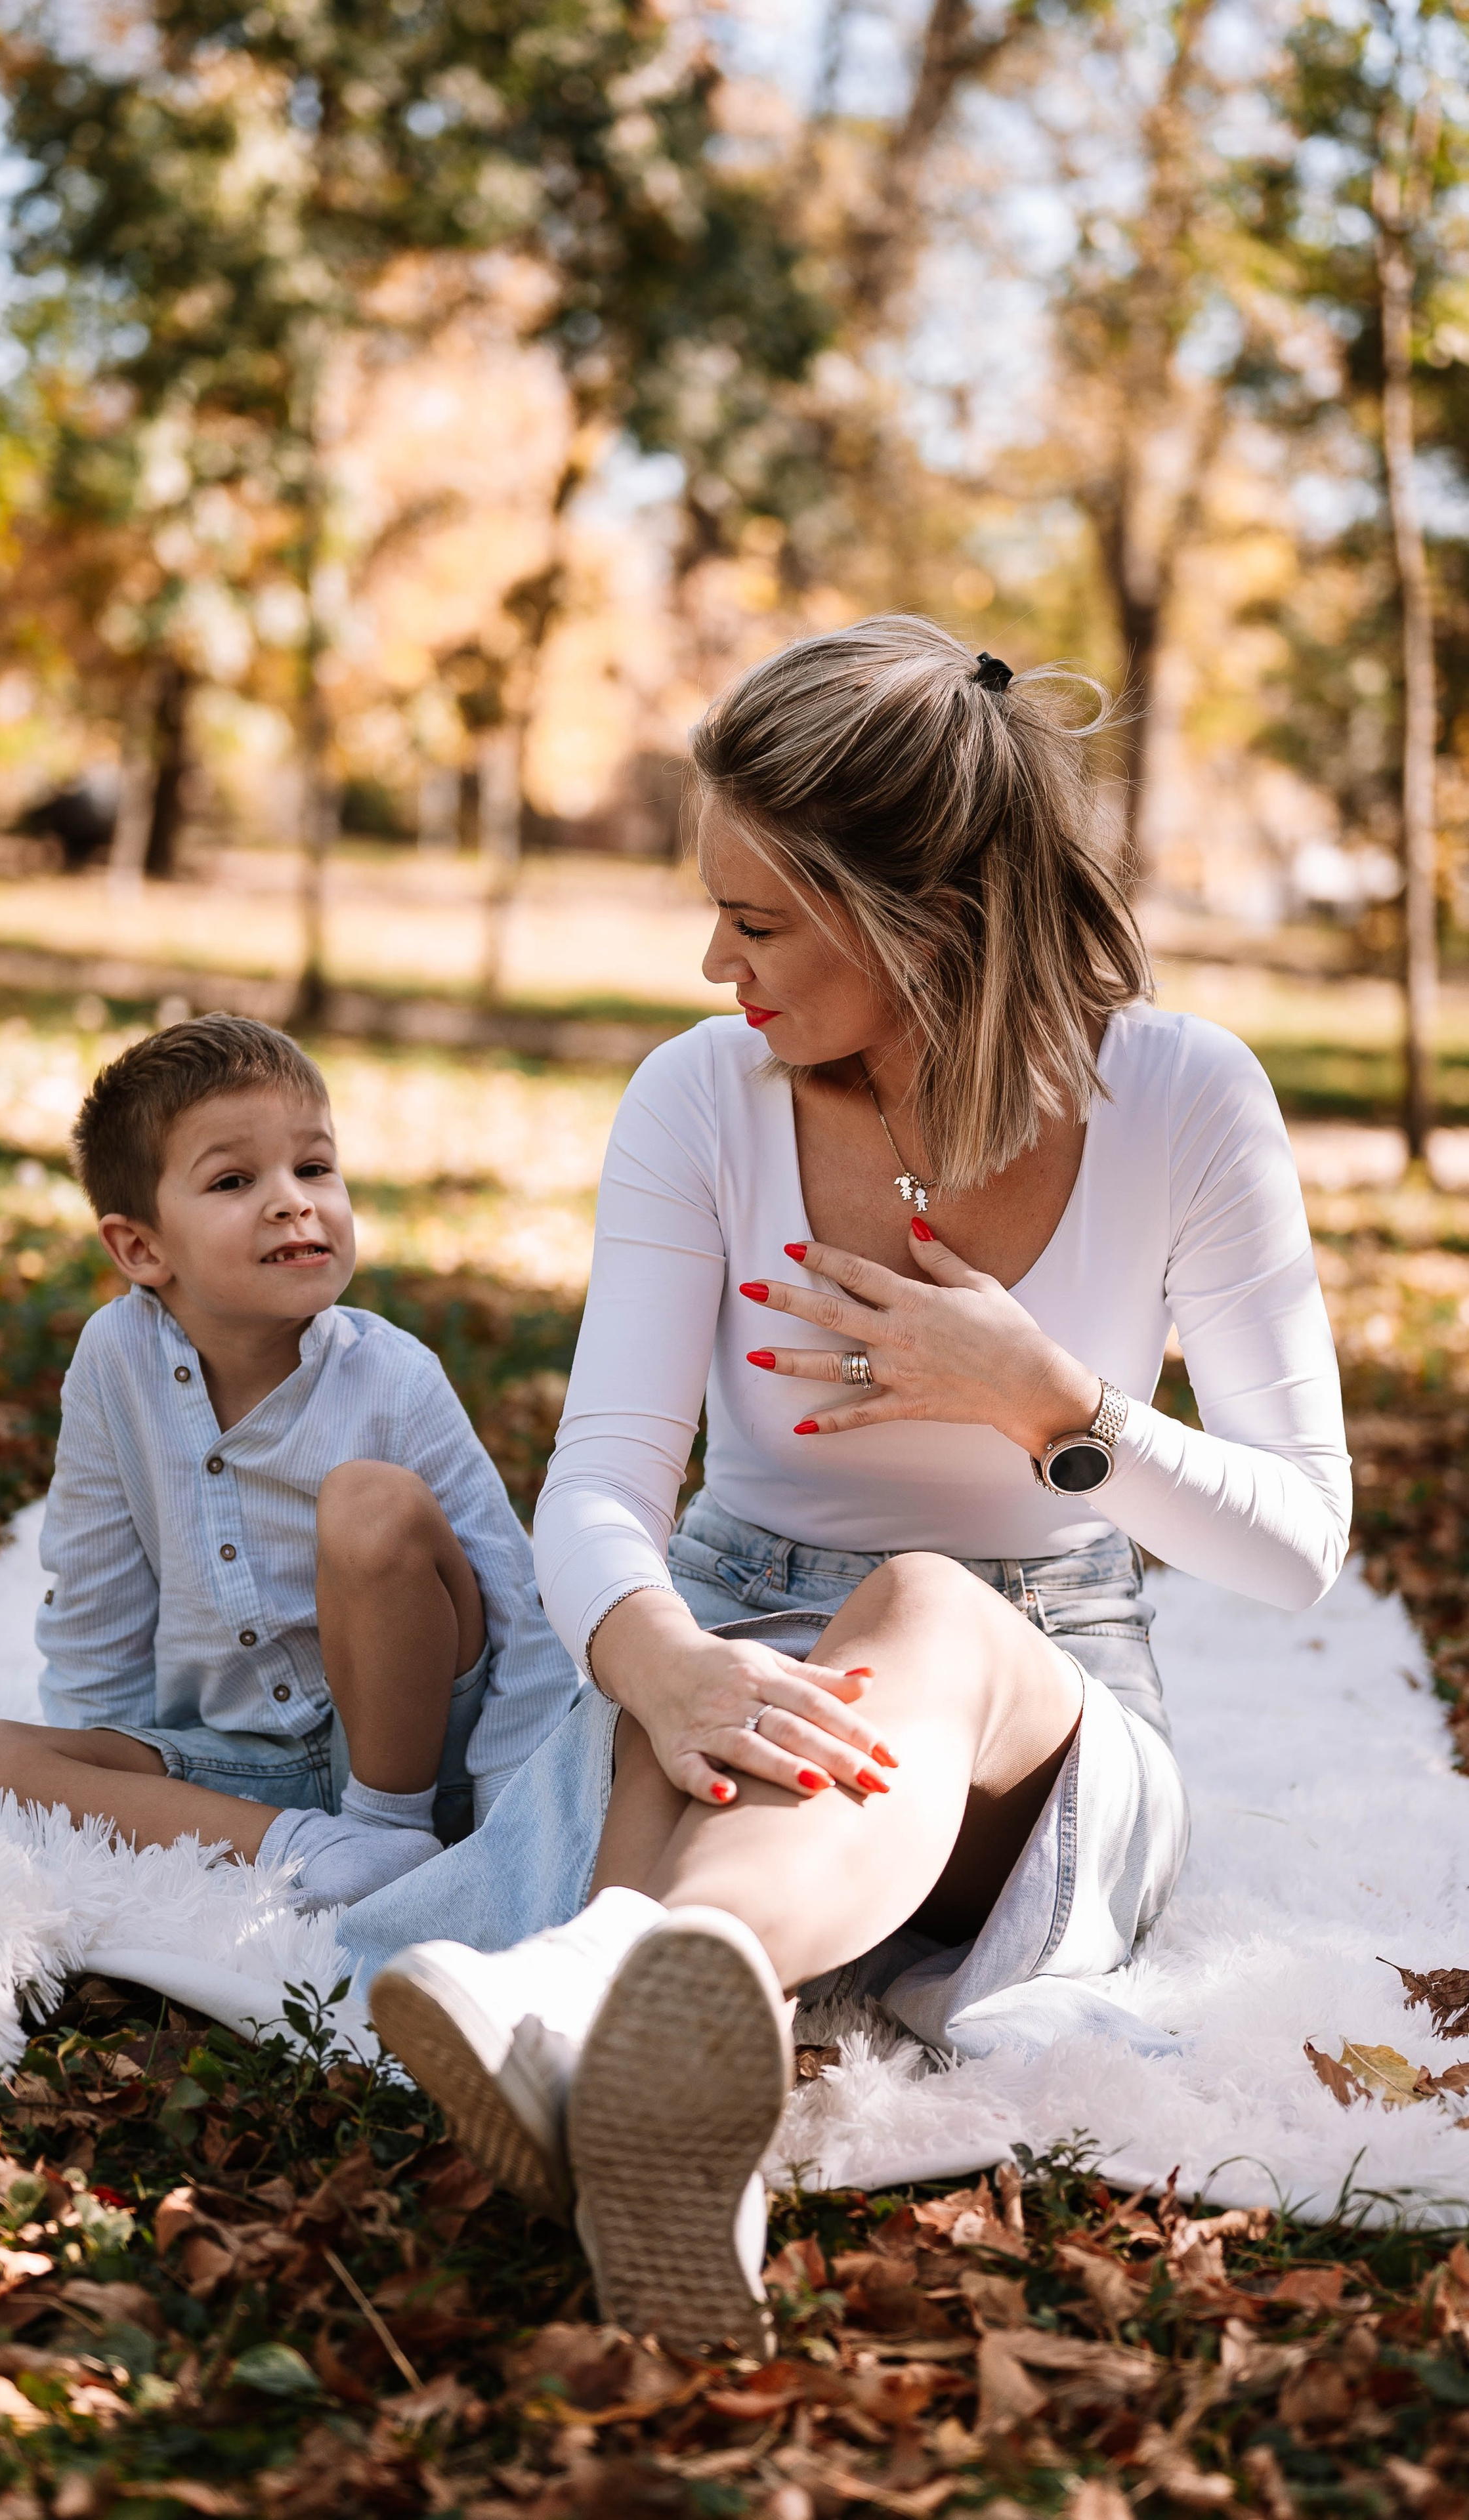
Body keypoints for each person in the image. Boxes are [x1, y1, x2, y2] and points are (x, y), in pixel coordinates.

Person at [368, 617, 1350, 2353]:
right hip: (734, 1630)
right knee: (651, 1715)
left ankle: (608, 1993)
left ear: (930, 917)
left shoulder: (1186, 1098)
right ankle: (691, 2124)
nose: (709, 966)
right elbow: (602, 1478)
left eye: (755, 922)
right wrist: (664, 1663)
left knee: (925, 1607)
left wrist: (1051, 1400)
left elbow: (1302, 1549)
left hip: (1033, 1701)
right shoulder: (699, 1102)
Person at [0, 1014, 577, 1909]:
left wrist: (519, 1832)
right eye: (236, 1180)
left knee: (369, 1503)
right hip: (240, 1767)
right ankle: (322, 1857)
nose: (294, 1201)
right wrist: (116, 1791)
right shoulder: (115, 1359)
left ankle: (386, 1837)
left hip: (416, 1753)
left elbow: (520, 1610)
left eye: (314, 1167)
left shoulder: (391, 1376)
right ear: (141, 1248)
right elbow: (97, 1585)